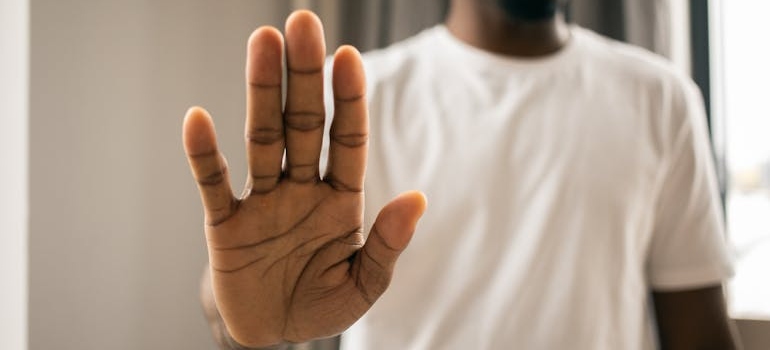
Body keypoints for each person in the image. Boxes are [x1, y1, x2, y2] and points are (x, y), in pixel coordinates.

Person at [183, 0, 741, 349]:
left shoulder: (660, 99)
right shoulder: (353, 97)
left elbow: (701, 335)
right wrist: (243, 321)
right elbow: (245, 298)